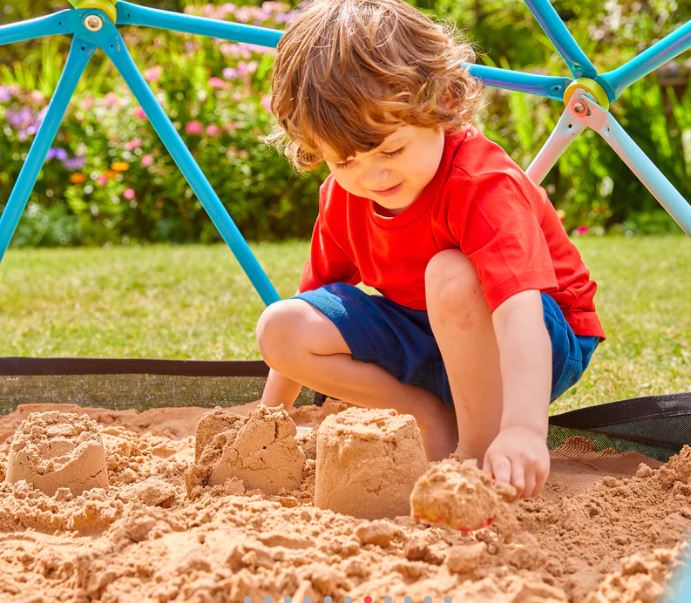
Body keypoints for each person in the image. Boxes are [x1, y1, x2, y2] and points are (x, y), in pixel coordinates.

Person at [255, 0, 605, 499]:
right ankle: (426, 416)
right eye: (346, 160)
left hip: (536, 339)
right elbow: (314, 299)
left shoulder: (481, 184)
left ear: (440, 103)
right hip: (426, 333)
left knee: (452, 274)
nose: (373, 176)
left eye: (391, 150)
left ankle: (478, 450)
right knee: (281, 327)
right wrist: (269, 424)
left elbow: (518, 312)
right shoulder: (346, 194)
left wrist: (526, 429)